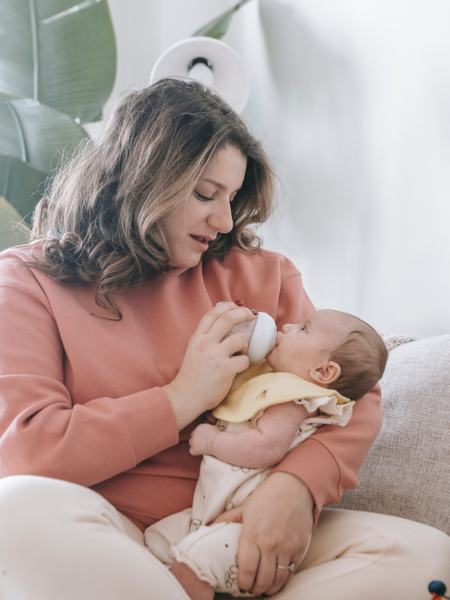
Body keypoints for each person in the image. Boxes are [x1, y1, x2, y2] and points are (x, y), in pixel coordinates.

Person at [0, 78, 448, 600]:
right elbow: (27, 450)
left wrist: (296, 487)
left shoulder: (264, 275)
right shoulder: (27, 280)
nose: (225, 219)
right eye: (205, 194)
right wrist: (183, 397)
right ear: (140, 179)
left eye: (233, 197)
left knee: (425, 558)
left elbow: (352, 390)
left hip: (238, 524)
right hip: (103, 530)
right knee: (15, 509)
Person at [145, 308, 389, 598]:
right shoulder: (271, 386)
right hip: (209, 514)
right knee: (156, 539)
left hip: (247, 524)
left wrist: (211, 441)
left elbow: (264, 447)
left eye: (302, 329)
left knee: (193, 562)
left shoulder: (292, 400)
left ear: (323, 372)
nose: (286, 326)